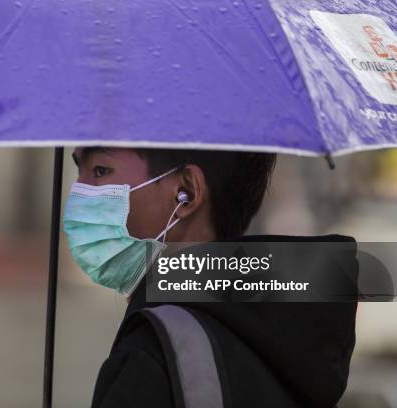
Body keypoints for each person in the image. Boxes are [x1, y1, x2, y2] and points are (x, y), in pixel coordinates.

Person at [63, 147, 357, 408]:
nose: (79, 194)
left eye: (101, 171)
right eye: (80, 171)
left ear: (186, 191)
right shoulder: (295, 339)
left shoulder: (154, 356)